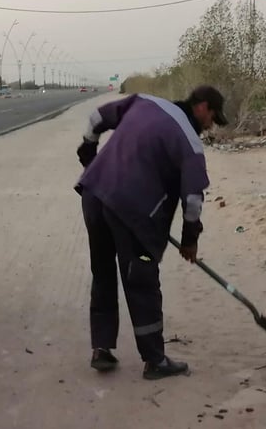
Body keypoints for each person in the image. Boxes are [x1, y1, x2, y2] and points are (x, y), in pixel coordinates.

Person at [73, 85, 228, 380]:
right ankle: (155, 361)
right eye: (213, 118)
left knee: (103, 272)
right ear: (203, 107)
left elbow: (95, 119)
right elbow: (193, 199)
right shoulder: (191, 144)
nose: (210, 126)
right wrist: (190, 239)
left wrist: (89, 151)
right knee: (141, 282)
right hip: (132, 212)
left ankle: (101, 349)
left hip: (95, 195)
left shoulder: (143, 102)